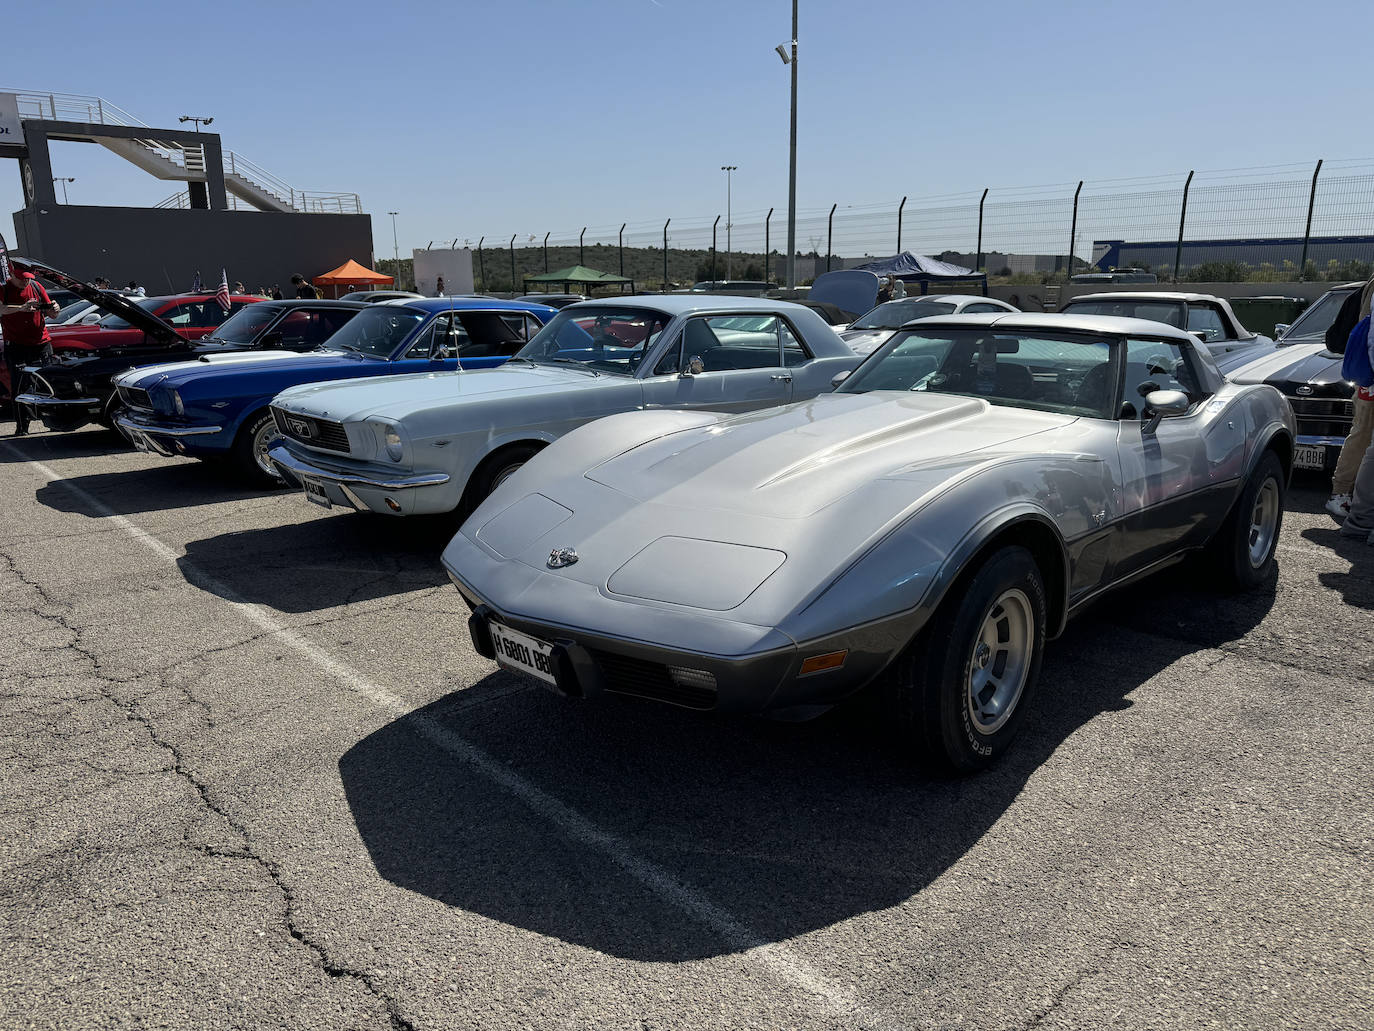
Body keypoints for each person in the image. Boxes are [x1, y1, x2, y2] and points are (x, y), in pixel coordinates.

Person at [1325, 277, 1374, 520]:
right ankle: (1341, 493)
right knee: (1362, 436)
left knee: (1363, 436)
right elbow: (1370, 335)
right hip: (1370, 381)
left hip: (1368, 379)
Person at [1, 265, 60, 436]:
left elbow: (53, 313)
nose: (25, 281)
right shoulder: (3, 288)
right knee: (20, 386)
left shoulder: (36, 286)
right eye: (21, 278)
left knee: (49, 383)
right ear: (11, 274)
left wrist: (54, 308)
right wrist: (21, 308)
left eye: (28, 277)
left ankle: (55, 421)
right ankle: (22, 426)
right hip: (17, 345)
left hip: (41, 343)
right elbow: (1, 309)